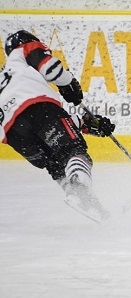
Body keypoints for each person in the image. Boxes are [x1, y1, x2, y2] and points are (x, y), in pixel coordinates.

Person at [0, 30, 116, 222]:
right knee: (73, 151)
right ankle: (79, 187)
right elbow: (50, 69)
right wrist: (68, 84)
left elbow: (58, 123)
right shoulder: (22, 51)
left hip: (13, 134)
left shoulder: (13, 80)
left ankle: (86, 201)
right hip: (37, 110)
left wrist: (91, 124)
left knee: (55, 165)